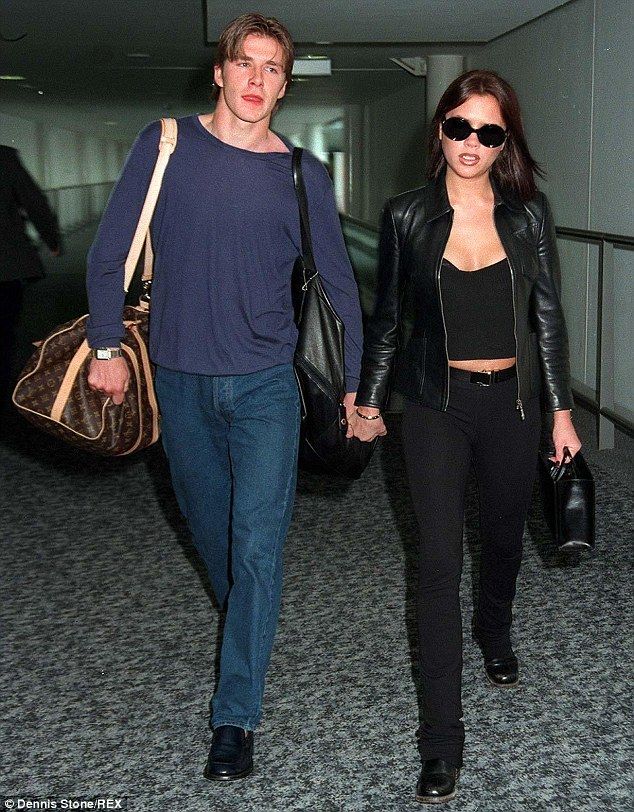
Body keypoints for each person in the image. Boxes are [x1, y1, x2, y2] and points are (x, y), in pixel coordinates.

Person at [85, 13, 362, 782]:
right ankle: (250, 614)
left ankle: (234, 718)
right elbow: (111, 249)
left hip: (269, 385)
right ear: (220, 71)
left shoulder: (303, 173)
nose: (257, 80)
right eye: (245, 63)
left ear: (284, 83)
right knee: (218, 540)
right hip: (178, 380)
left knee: (259, 546)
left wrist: (355, 389)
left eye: (274, 69)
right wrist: (105, 344)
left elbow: (338, 287)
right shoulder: (166, 144)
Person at [347, 70, 581, 804]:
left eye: (489, 132)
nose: (471, 144)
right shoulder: (405, 215)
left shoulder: (528, 215)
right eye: (459, 127)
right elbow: (386, 318)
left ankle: (497, 628)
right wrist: (370, 400)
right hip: (432, 407)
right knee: (440, 560)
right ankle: (442, 743)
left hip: (513, 404)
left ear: (505, 140)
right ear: (440, 128)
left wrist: (562, 412)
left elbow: (548, 317)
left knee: (506, 538)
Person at [0, 145, 61, 408]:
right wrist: (51, 238)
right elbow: (33, 200)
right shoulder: (3, 158)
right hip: (5, 265)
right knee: (4, 328)